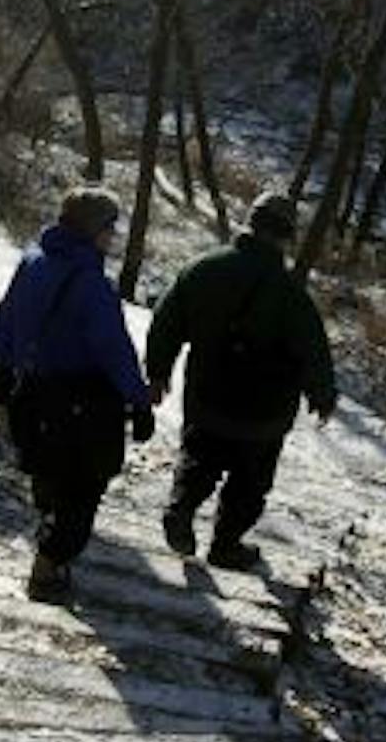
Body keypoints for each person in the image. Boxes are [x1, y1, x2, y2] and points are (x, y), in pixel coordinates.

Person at [144, 192, 337, 572]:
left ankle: (180, 509)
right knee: (250, 483)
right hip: (264, 414)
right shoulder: (291, 294)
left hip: (207, 396)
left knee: (198, 460)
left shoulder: (202, 269)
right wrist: (322, 395)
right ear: (285, 237)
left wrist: (158, 371)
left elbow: (166, 321)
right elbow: (313, 348)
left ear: (250, 223)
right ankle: (226, 545)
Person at [0, 187, 158, 604]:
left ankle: (49, 530)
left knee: (49, 472)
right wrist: (138, 400)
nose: (113, 236)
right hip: (83, 404)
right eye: (109, 227)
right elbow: (113, 349)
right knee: (84, 487)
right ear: (93, 230)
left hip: (32, 395)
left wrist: (1, 367)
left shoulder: (33, 261)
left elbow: (4, 318)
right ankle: (47, 567)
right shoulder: (91, 284)